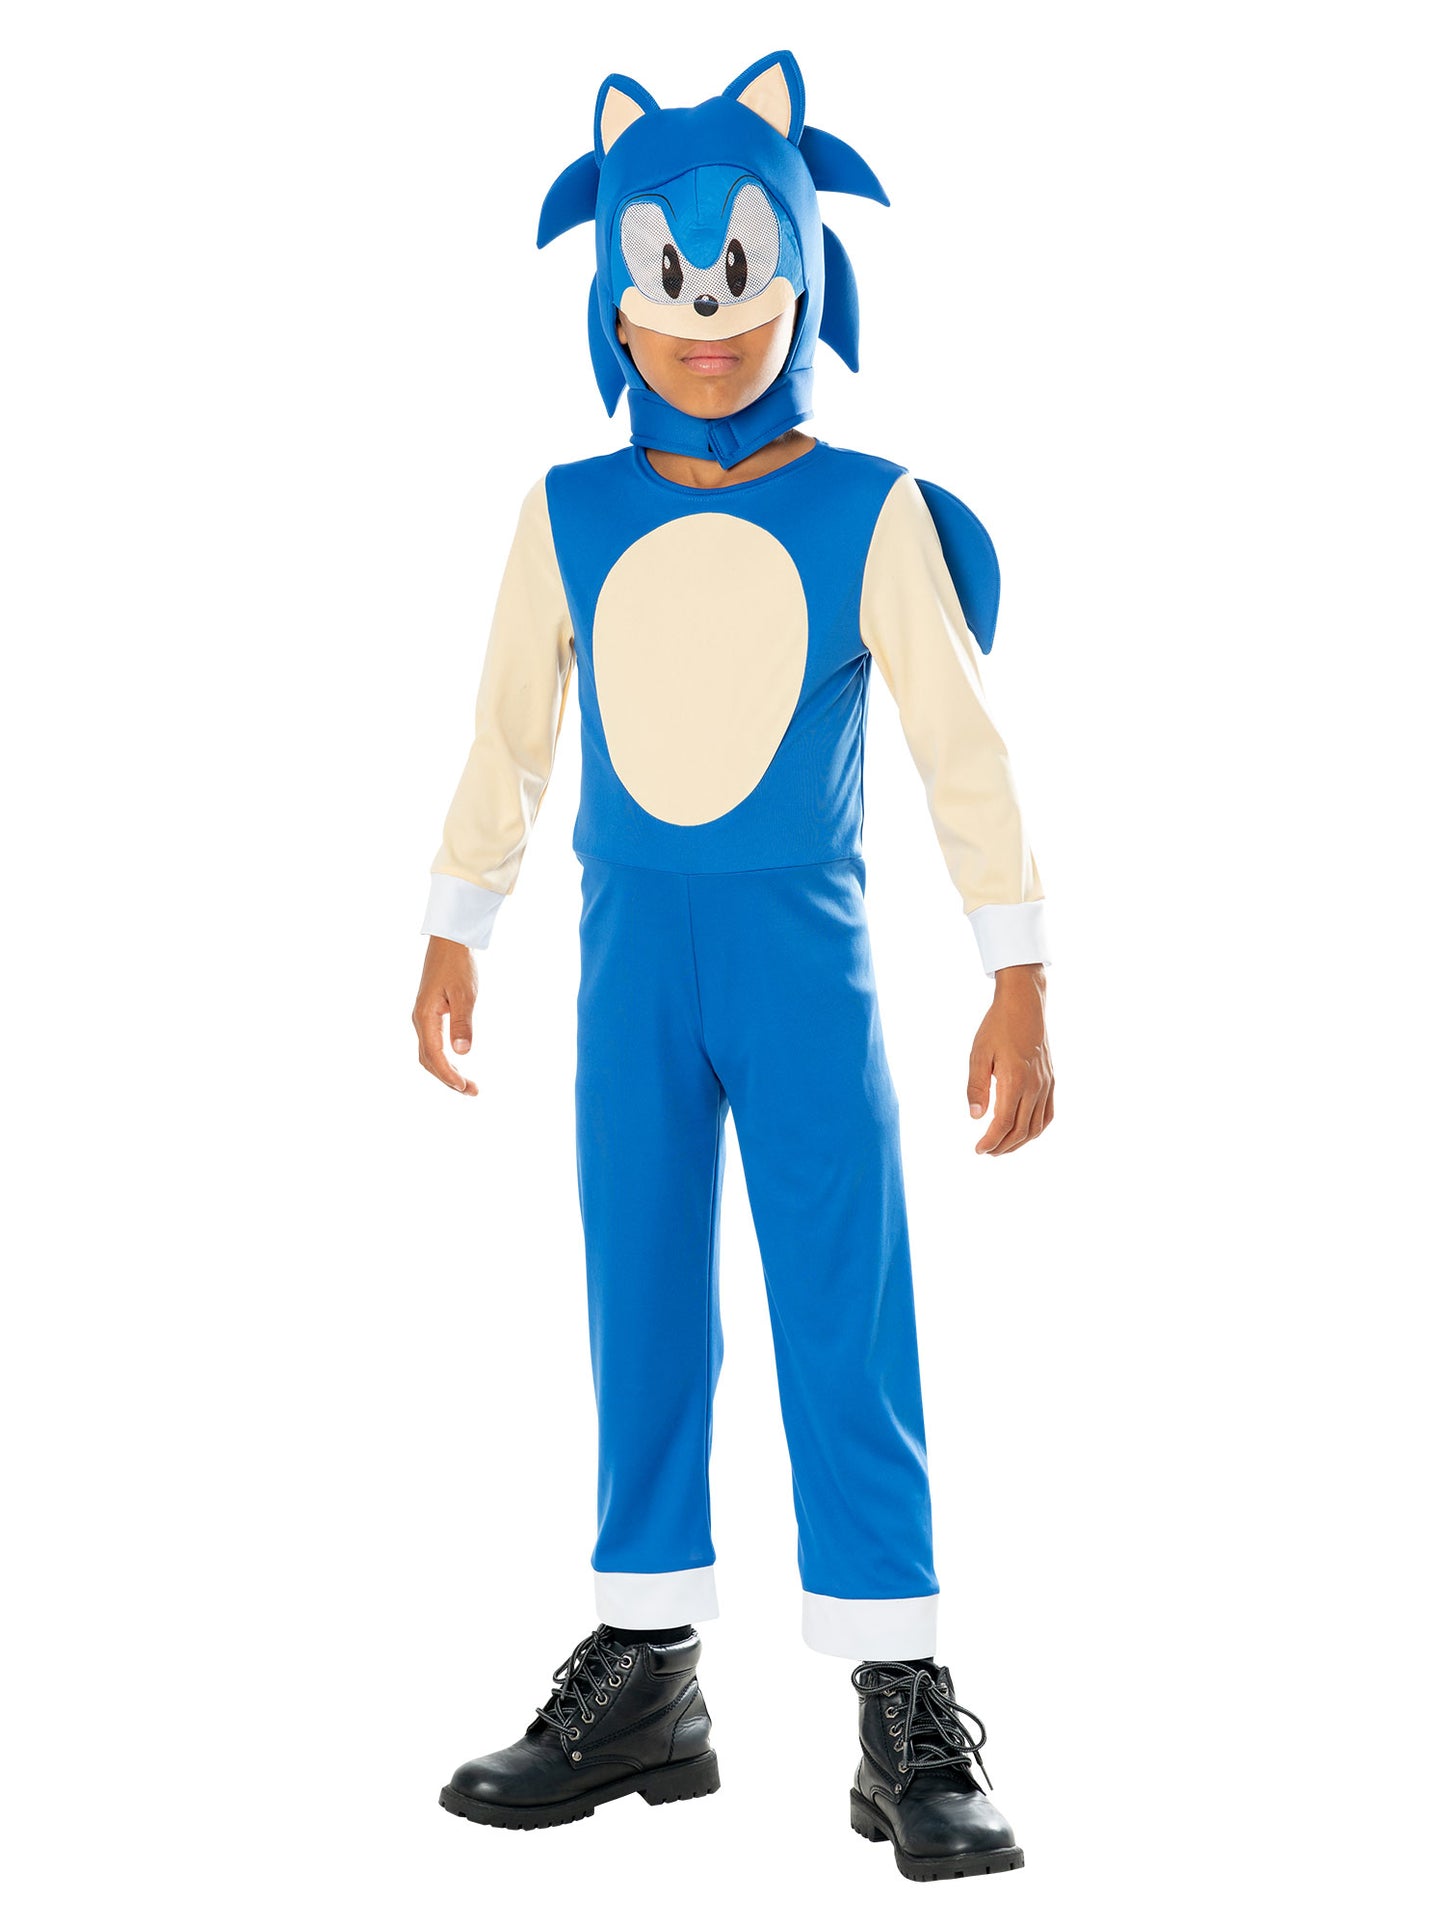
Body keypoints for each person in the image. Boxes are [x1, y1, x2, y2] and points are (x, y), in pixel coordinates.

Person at [412, 50, 1053, 1882]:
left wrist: (1014, 967)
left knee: (845, 1300)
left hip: (800, 965)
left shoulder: (870, 510)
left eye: (740, 277)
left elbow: (960, 748)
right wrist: (457, 917)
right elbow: (507, 731)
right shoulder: (566, 510)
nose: (707, 318)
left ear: (800, 279)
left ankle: (899, 1687)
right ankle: (645, 1666)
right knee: (638, 1297)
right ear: (617, 294)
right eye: (670, 281)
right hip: (628, 966)